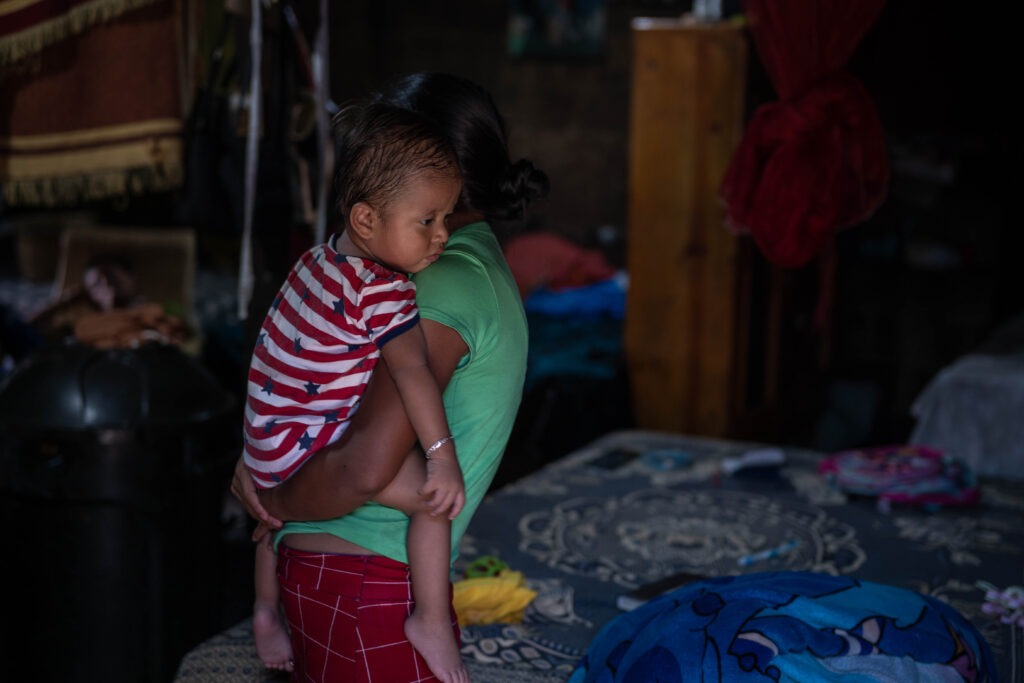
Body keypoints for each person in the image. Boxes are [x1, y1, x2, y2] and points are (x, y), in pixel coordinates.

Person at [230, 71, 549, 682]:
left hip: (359, 579)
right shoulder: (439, 270)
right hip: (359, 581)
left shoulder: (437, 281)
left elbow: (361, 466)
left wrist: (270, 495)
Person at [243, 100, 469, 682]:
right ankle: (430, 621)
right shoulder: (383, 290)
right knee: (430, 502)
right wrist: (442, 460)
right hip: (304, 448)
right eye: (427, 221)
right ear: (367, 220)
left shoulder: (317, 260)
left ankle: (266, 611)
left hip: (263, 441)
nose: (442, 236)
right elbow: (413, 372)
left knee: (270, 516)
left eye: (447, 218)